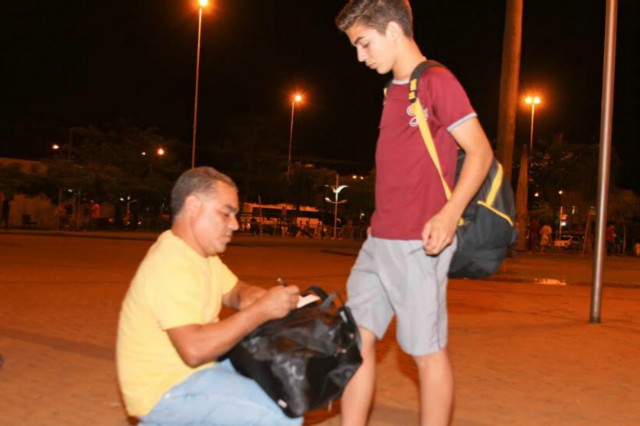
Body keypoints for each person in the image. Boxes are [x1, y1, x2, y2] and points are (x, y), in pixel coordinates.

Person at [335, 1, 494, 425]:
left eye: (364, 43)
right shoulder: (393, 91)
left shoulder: (437, 82)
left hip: (417, 244)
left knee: (426, 352)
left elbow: (480, 152)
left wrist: (447, 215)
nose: (360, 56)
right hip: (379, 240)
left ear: (392, 30)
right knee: (355, 340)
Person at [116, 167, 302, 426]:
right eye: (226, 213)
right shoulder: (171, 264)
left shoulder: (201, 256)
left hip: (191, 374)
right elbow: (194, 350)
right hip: (165, 389)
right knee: (282, 414)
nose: (235, 224)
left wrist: (257, 297)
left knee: (281, 387)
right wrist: (260, 312)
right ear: (193, 206)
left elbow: (234, 291)